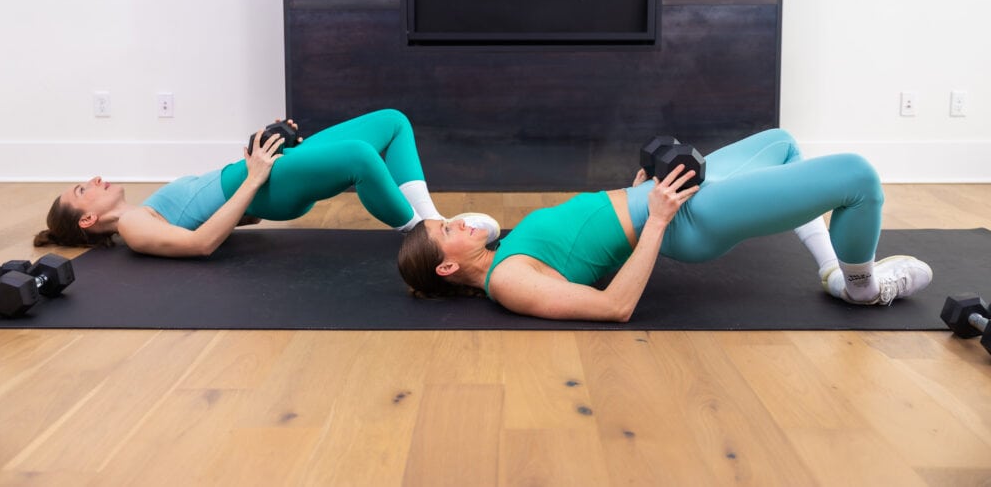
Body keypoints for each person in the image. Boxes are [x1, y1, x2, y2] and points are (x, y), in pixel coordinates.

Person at [397, 128, 934, 322]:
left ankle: (831, 273)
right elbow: (615, 307)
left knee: (783, 143)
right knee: (859, 177)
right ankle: (861, 288)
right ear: (447, 265)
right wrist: (653, 219)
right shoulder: (508, 282)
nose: (462, 223)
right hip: (687, 221)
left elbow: (591, 245)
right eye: (449, 229)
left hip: (663, 199)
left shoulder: (507, 250)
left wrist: (633, 191)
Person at [34, 109, 445, 258]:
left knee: (392, 122)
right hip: (262, 182)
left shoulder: (146, 212)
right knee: (359, 156)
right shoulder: (131, 226)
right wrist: (254, 178)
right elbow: (200, 245)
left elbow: (214, 220)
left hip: (263, 177)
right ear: (87, 220)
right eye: (82, 190)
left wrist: (270, 150)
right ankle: (422, 234)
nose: (95, 180)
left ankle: (434, 221)